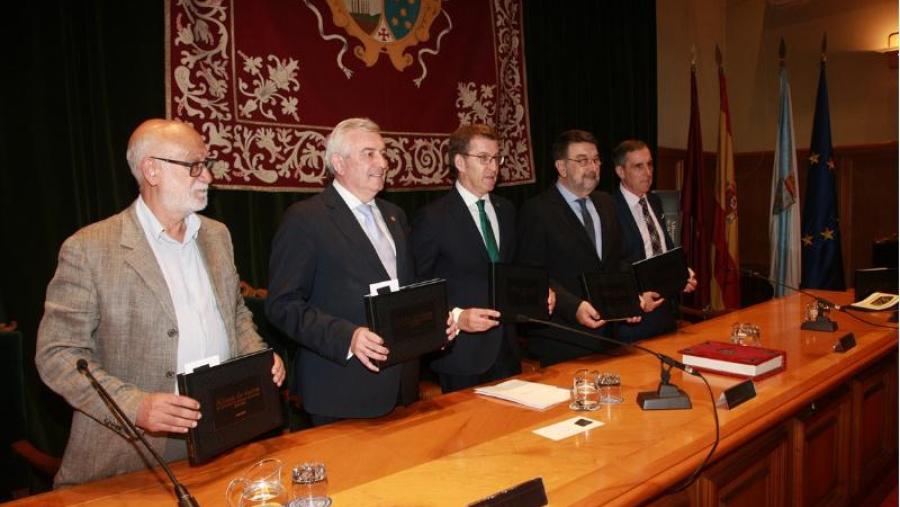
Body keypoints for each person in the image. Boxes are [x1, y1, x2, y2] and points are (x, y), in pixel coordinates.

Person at [35, 119, 285, 487]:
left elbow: (234, 314)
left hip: (222, 435)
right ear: (151, 170)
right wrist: (136, 407)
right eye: (193, 166)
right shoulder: (90, 248)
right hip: (133, 452)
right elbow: (57, 355)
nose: (207, 177)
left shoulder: (217, 236)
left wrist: (258, 357)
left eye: (207, 164)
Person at [266, 118, 454, 425]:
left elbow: (408, 289)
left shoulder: (395, 215)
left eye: (383, 154)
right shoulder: (306, 219)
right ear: (339, 163)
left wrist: (435, 323)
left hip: (402, 385)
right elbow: (282, 305)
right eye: (369, 154)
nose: (383, 163)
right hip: (341, 390)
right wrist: (347, 337)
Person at [411, 124, 552, 393]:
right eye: (483, 158)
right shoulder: (433, 217)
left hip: (507, 348)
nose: (493, 167)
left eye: (497, 158)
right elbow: (417, 284)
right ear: (460, 162)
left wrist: (540, 291)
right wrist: (457, 316)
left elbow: (513, 270)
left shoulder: (505, 209)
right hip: (462, 354)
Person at [516, 130, 633, 366]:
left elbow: (618, 261)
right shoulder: (537, 210)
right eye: (582, 160)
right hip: (563, 340)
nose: (592, 167)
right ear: (561, 167)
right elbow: (532, 275)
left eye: (596, 160)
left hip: (610, 337)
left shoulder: (607, 203)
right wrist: (573, 307)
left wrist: (631, 296)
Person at [612, 139, 697, 341]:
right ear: (621, 171)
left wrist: (681, 274)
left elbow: (663, 249)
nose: (648, 172)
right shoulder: (610, 208)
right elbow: (612, 264)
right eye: (638, 166)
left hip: (665, 312)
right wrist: (635, 297)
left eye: (650, 164)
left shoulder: (654, 201)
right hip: (634, 321)